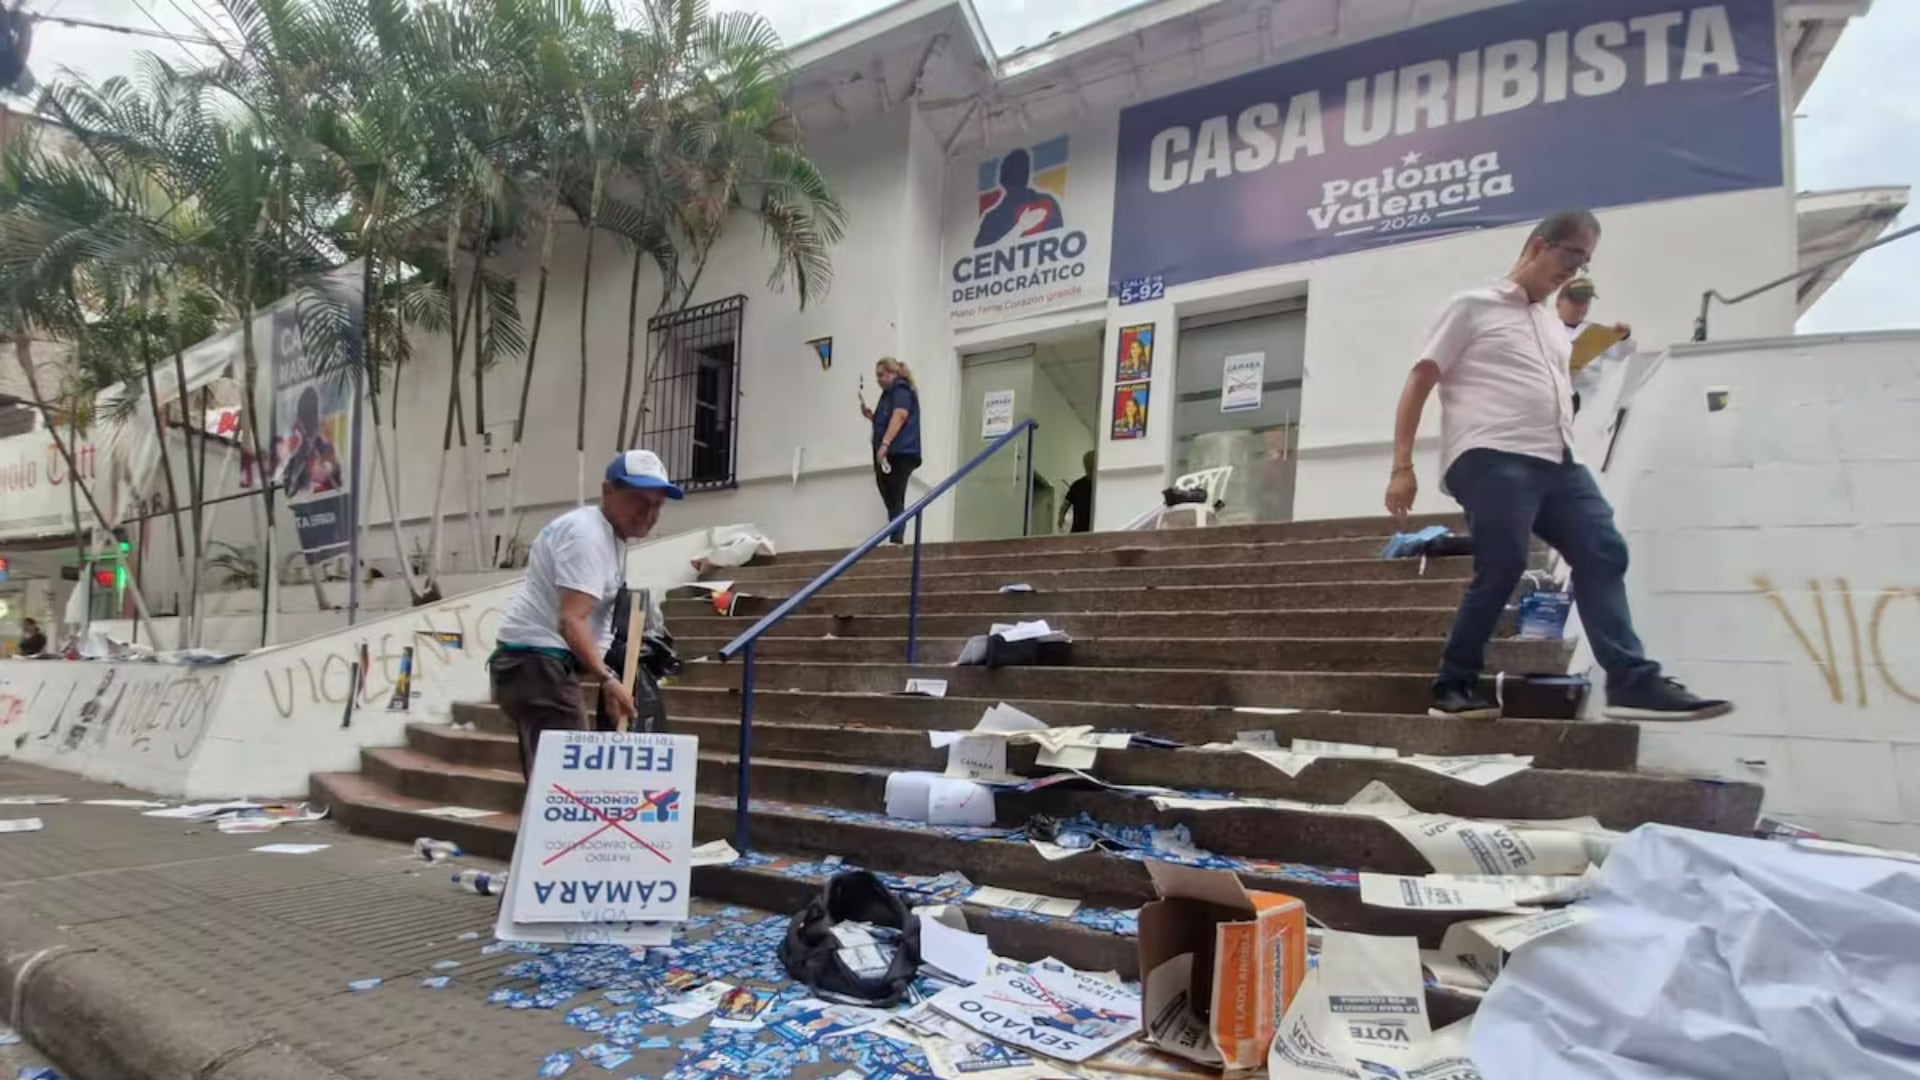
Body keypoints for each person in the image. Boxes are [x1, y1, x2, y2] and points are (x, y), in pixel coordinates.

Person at [1384, 209, 1731, 723]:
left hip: (1558, 461)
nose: (1574, 270)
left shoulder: (1551, 323)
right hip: (1490, 454)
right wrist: (1401, 465)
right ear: (1537, 245)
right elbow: (1420, 379)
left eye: (1586, 262)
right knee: (1502, 565)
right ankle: (1452, 684)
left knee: (1603, 550)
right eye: (1570, 255)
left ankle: (1632, 681)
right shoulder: (1471, 306)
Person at [489, 449, 682, 778]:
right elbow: (571, 620)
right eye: (637, 499)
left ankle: (539, 830)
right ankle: (554, 831)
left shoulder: (606, 533)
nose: (647, 513)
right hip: (538, 662)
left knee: (549, 781)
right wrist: (607, 679)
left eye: (657, 504)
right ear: (608, 490)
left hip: (533, 663)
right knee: (567, 779)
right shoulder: (588, 537)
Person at [860, 357, 921, 544]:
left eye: (881, 375)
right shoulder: (888, 395)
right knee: (890, 494)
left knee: (894, 494)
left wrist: (885, 444)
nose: (878, 380)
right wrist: (872, 417)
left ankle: (896, 539)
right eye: (877, 376)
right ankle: (896, 535)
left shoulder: (900, 389)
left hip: (899, 451)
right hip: (892, 452)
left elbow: (900, 415)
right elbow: (888, 419)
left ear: (892, 373)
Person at [1555, 276, 1632, 412]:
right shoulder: (1543, 330)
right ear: (1559, 303)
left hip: (1590, 406)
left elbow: (1623, 356)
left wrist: (1623, 337)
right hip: (1554, 403)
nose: (1581, 307)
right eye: (1576, 301)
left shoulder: (1595, 332)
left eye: (1586, 302)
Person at [973, 147, 1063, 248]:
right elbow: (981, 251)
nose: (1016, 178)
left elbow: (1058, 240)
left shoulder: (1046, 203)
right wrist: (1020, 227)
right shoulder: (992, 218)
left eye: (1019, 171)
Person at [1059, 450, 1096, 534]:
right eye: (1088, 468)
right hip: (1078, 531)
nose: (1090, 471)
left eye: (1092, 468)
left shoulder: (1101, 486)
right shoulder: (1077, 486)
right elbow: (1065, 504)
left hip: (1097, 530)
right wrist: (1061, 518)